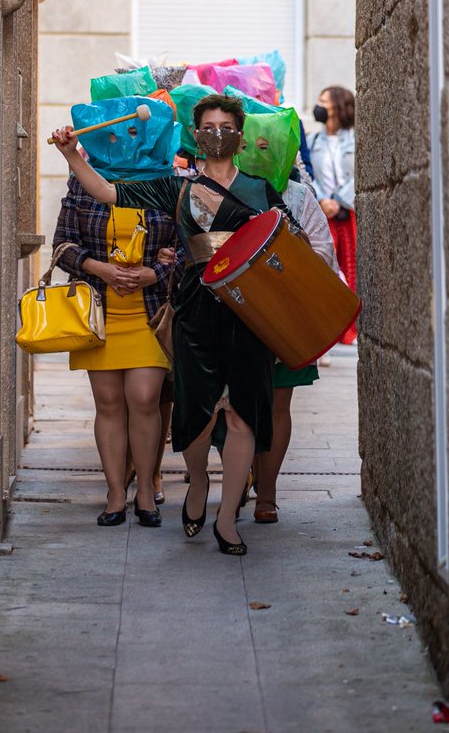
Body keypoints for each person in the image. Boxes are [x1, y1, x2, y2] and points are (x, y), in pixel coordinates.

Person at [52, 93, 289, 556]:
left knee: (242, 414)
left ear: (240, 138)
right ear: (195, 136)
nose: (217, 134)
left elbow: (287, 250)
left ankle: (226, 521)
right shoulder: (172, 186)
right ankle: (197, 482)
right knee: (197, 417)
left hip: (249, 313)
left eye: (226, 127)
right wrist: (67, 153)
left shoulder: (262, 191)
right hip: (195, 310)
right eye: (208, 127)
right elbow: (106, 192)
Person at [52, 176, 182, 528]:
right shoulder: (84, 183)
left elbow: (189, 245)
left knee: (144, 398)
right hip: (99, 313)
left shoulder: (168, 181)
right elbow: (62, 246)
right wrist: (101, 269)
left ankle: (144, 491)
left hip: (150, 312)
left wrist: (154, 273)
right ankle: (114, 494)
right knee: (108, 403)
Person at [250, 167, 339, 525]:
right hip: (237, 311)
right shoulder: (218, 186)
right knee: (235, 406)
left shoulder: (300, 197)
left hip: (289, 314)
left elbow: (324, 253)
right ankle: (241, 474)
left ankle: (266, 492)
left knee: (278, 400)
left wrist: (294, 249)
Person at [307, 86, 357, 345]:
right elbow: (308, 173)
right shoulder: (314, 140)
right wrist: (322, 200)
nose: (319, 106)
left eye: (323, 101)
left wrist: (338, 201)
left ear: (338, 106)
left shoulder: (356, 138)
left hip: (348, 214)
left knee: (352, 268)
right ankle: (327, 330)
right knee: (325, 271)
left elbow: (359, 173)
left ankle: (351, 330)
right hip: (323, 213)